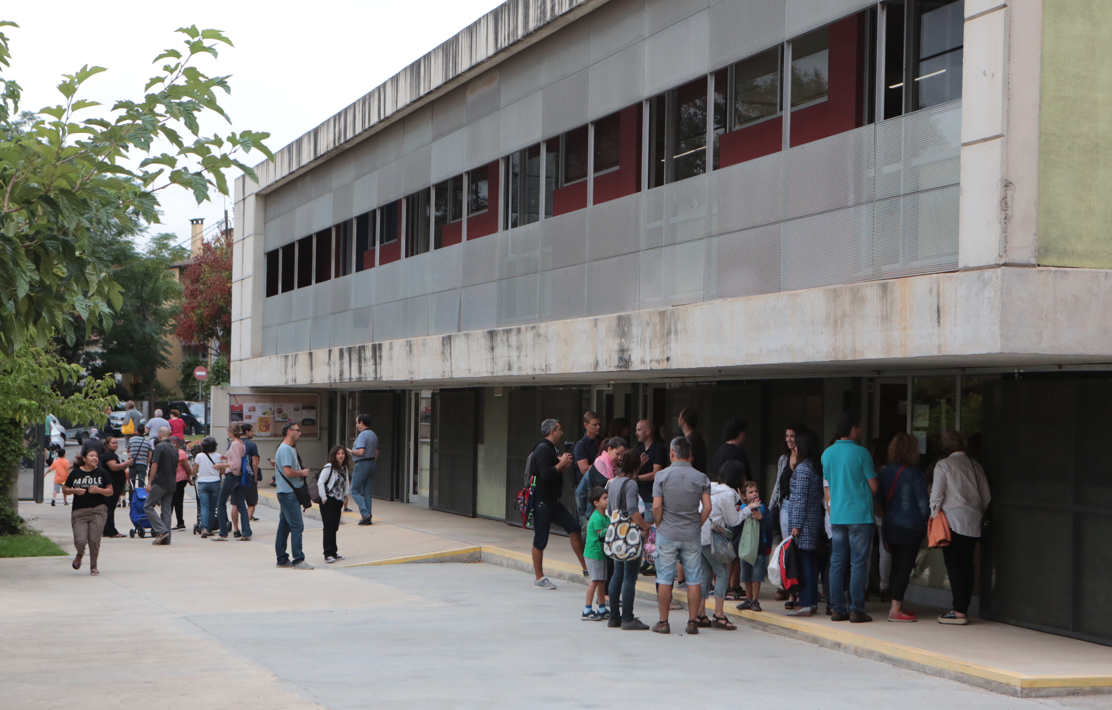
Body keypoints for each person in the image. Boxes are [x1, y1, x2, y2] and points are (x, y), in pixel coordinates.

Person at [651, 436, 712, 635]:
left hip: (667, 531)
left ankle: (663, 622)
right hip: (691, 533)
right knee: (694, 578)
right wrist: (697, 524)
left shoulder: (661, 476)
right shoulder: (702, 478)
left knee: (665, 577)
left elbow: (657, 506)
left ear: (672, 453)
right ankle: (692, 622)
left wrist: (660, 524)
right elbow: (707, 507)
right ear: (690, 455)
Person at [930, 429, 991, 625]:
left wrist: (934, 515)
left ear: (945, 447)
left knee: (953, 565)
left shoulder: (943, 465)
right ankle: (964, 607)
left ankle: (958, 611)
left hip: (952, 521)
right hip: (973, 522)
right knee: (967, 564)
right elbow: (987, 496)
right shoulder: (975, 465)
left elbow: (936, 496)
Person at [822, 413, 878, 623]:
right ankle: (856, 609)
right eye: (860, 427)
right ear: (854, 429)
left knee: (837, 562)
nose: (862, 431)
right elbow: (874, 486)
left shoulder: (827, 454)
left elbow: (828, 484)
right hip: (860, 515)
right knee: (858, 563)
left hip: (837, 515)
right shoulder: (862, 453)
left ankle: (837, 608)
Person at [529, 419, 587, 590]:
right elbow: (545, 474)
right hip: (542, 503)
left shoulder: (551, 449)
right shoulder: (542, 449)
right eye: (559, 429)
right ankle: (539, 577)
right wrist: (561, 463)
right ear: (552, 431)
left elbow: (553, 471)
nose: (562, 432)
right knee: (540, 539)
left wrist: (562, 464)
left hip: (554, 502)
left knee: (574, 527)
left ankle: (586, 568)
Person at [879, 432, 930, 622]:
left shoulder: (884, 471)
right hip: (910, 527)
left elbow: (879, 497)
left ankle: (896, 603)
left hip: (890, 524)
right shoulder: (916, 474)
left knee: (896, 566)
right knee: (904, 567)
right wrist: (927, 521)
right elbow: (924, 505)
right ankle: (895, 610)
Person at [698, 455, 745, 629]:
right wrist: (747, 509)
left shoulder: (709, 486)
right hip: (713, 538)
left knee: (705, 575)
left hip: (699, 535)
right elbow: (733, 521)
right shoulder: (728, 493)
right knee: (723, 573)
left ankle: (700, 614)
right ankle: (718, 615)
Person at [606, 451, 651, 630]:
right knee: (630, 578)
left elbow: (611, 509)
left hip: (617, 533)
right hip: (630, 534)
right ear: (636, 467)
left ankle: (614, 616)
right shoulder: (631, 484)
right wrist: (645, 526)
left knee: (617, 574)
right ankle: (628, 618)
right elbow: (633, 510)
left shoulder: (613, 482)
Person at [787, 430, 827, 617]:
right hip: (813, 519)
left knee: (804, 563)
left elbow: (799, 498)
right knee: (810, 561)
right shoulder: (815, 466)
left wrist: (796, 525)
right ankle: (810, 601)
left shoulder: (803, 468)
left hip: (804, 523)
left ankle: (806, 602)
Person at [768, 424, 804, 603]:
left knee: (799, 548)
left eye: (793, 436)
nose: (789, 439)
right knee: (786, 547)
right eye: (787, 436)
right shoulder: (783, 459)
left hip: (800, 507)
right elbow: (777, 484)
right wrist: (769, 509)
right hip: (785, 505)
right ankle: (786, 587)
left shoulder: (805, 459)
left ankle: (796, 589)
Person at [64, 449, 114, 575]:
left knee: (94, 539)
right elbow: (65, 489)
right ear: (84, 459)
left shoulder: (102, 472)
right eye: (91, 456)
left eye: (96, 456)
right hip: (79, 512)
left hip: (98, 510)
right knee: (80, 540)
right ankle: (80, 553)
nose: (95, 458)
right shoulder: (75, 473)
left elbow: (110, 491)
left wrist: (99, 490)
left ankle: (93, 566)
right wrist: (74, 491)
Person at [275, 422, 313, 569]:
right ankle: (298, 559)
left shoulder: (286, 449)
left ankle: (282, 558)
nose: (300, 433)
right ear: (290, 432)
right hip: (288, 493)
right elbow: (288, 472)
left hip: (286, 492)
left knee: (284, 526)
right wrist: (302, 473)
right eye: (297, 430)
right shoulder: (285, 449)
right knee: (297, 525)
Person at [735, 480, 773, 612]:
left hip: (759, 547)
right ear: (744, 496)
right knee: (746, 574)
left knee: (757, 575)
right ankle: (748, 598)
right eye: (750, 492)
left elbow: (770, 526)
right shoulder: (742, 509)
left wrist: (761, 518)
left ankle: (755, 600)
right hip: (745, 546)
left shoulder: (763, 508)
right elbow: (736, 526)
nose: (754, 493)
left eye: (756, 491)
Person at [213, 423, 251, 542]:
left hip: (232, 475)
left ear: (230, 432)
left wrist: (220, 464)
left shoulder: (234, 444)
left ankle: (223, 532)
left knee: (221, 502)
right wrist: (227, 458)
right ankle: (246, 532)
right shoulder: (241, 444)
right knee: (241, 504)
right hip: (240, 477)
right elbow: (238, 459)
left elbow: (235, 464)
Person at [575, 436, 626, 524]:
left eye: (622, 455)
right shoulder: (599, 463)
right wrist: (582, 514)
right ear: (609, 449)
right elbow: (603, 485)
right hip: (594, 510)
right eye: (617, 454)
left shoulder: (615, 466)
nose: (619, 457)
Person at [145, 427, 179, 545]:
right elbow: (175, 467)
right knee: (166, 510)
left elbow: (154, 464)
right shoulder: (174, 448)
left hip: (160, 482)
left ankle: (161, 530)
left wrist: (149, 482)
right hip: (171, 482)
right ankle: (166, 538)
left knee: (148, 506)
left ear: (160, 435)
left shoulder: (159, 447)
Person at [318, 445, 351, 563]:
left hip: (338, 500)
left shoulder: (344, 468)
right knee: (328, 527)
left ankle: (334, 552)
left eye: (342, 453)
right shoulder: (329, 467)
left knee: (335, 526)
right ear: (334, 455)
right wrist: (323, 497)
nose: (341, 455)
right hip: (328, 500)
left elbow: (345, 483)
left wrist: (346, 495)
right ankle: (327, 553)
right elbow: (320, 482)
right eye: (338, 454)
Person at [582, 486, 610, 621]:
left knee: (602, 581)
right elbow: (601, 535)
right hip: (594, 553)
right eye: (605, 498)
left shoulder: (605, 516)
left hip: (600, 553)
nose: (608, 500)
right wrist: (612, 527)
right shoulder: (597, 518)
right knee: (595, 581)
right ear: (596, 503)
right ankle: (587, 609)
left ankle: (602, 608)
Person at [633, 419, 668, 524]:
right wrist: (638, 467)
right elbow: (632, 472)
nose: (636, 433)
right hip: (637, 496)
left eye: (639, 430)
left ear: (648, 431)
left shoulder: (658, 449)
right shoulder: (638, 449)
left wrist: (637, 478)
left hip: (651, 496)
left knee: (648, 528)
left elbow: (656, 474)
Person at [100, 437, 131, 538]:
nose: (116, 444)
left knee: (109, 508)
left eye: (117, 443)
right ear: (107, 445)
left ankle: (106, 530)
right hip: (111, 485)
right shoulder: (108, 454)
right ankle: (111, 531)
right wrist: (126, 464)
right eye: (113, 443)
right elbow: (113, 467)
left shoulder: (112, 454)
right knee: (110, 508)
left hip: (115, 484)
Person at [350, 414, 379, 526]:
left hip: (362, 464)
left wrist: (351, 451)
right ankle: (368, 516)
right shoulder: (373, 435)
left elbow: (361, 451)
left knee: (354, 490)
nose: (357, 425)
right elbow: (377, 452)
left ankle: (365, 513)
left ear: (361, 423)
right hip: (372, 463)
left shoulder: (362, 435)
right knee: (366, 491)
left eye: (357, 422)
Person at [192, 436, 222, 537]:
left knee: (204, 506)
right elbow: (222, 471)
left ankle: (203, 528)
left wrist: (196, 475)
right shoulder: (218, 456)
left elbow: (194, 471)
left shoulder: (199, 456)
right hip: (215, 483)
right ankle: (209, 529)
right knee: (213, 507)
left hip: (202, 483)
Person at [710, 418, 750, 482]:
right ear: (741, 434)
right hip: (734, 490)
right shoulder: (739, 453)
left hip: (718, 489)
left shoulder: (718, 451)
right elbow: (745, 478)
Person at [573, 411, 602, 487]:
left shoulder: (601, 441)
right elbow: (584, 469)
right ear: (586, 425)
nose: (598, 427)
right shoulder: (581, 445)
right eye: (594, 425)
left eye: (599, 424)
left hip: (600, 485)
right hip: (586, 486)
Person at [240, 424, 261, 522]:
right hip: (249, 477)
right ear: (247, 432)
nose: (253, 433)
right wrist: (255, 477)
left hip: (236, 477)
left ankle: (236, 528)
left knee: (236, 504)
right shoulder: (252, 445)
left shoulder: (232, 444)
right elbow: (255, 463)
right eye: (252, 431)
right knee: (252, 503)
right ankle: (245, 525)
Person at [678, 408, 707, 474]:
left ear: (683, 420)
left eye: (679, 416)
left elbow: (688, 464)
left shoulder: (692, 440)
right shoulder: (694, 437)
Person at [171, 438, 191, 531]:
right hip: (173, 480)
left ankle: (180, 522)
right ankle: (178, 522)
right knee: (173, 501)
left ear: (178, 444)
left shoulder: (181, 454)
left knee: (176, 501)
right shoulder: (172, 452)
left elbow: (187, 467)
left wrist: (189, 478)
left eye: (174, 443)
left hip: (180, 479)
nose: (172, 445)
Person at [127, 425, 152, 491]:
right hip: (143, 464)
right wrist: (147, 462)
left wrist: (130, 458)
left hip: (132, 463)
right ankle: (140, 498)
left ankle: (131, 499)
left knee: (131, 483)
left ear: (137, 431)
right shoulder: (147, 442)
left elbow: (128, 450)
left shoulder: (131, 439)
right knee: (141, 483)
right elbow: (150, 454)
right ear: (144, 432)